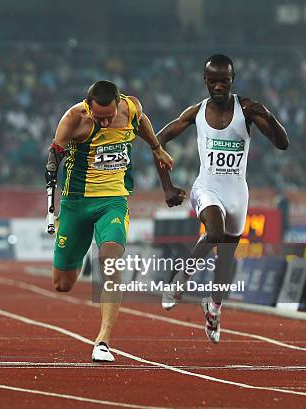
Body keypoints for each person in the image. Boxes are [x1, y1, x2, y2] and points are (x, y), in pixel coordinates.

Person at [156, 54, 289, 343]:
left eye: (224, 81)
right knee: (214, 232)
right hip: (207, 187)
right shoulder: (196, 112)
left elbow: (282, 144)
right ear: (205, 81)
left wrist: (267, 114)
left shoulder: (247, 110)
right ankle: (180, 279)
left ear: (232, 80)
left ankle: (213, 308)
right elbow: (159, 139)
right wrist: (166, 186)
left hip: (237, 193)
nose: (218, 86)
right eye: (213, 81)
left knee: (226, 262)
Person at [45, 80, 175, 361]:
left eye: (109, 116)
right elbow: (53, 155)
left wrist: (156, 147)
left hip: (113, 201)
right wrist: (53, 166)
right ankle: (74, 252)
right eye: (98, 117)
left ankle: (103, 340)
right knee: (62, 284)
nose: (104, 122)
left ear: (118, 103)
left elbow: (142, 124)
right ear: (87, 106)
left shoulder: (131, 108)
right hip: (75, 203)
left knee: (111, 260)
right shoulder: (73, 119)